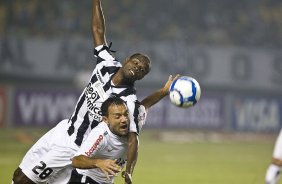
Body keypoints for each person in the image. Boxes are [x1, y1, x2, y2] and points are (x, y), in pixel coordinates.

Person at [12, 0, 177, 183]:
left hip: (75, 147)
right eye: (136, 63)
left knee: (23, 181)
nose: (137, 68)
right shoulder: (106, 63)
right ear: (127, 59)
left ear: (141, 77)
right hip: (63, 130)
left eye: (142, 70)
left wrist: (129, 171)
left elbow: (134, 137)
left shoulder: (127, 100)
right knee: (18, 175)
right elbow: (98, 31)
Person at [68, 95, 130, 184]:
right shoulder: (100, 134)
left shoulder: (132, 128)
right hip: (86, 179)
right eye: (117, 116)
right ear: (106, 119)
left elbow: (147, 104)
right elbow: (76, 160)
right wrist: (99, 162)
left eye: (126, 114)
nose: (124, 119)